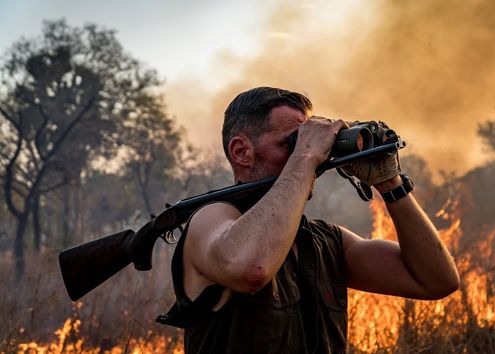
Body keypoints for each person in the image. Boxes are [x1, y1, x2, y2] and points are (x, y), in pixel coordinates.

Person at [157, 87, 460, 353]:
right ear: (242, 152)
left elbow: (436, 281)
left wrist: (390, 184)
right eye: (291, 142)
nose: (313, 153)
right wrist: (304, 157)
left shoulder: (327, 242)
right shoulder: (210, 220)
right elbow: (253, 267)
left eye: (311, 141)